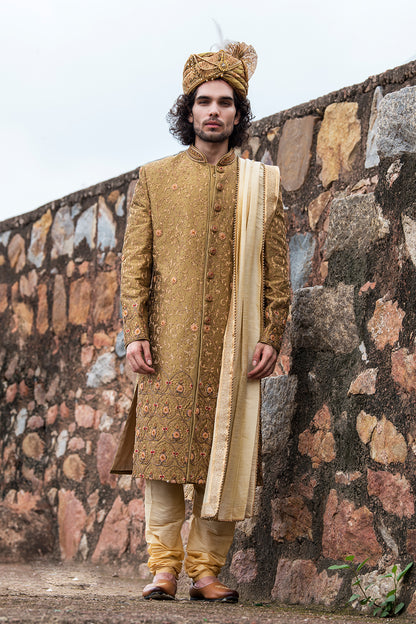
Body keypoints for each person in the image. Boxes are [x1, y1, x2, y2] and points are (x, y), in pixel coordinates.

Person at [111, 42, 290, 603]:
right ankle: (163, 569)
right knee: (163, 460)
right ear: (187, 112)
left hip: (234, 347)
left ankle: (207, 572)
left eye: (226, 103)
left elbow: (277, 270)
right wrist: (136, 331)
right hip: (167, 339)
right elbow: (135, 264)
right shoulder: (156, 178)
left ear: (239, 115)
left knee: (227, 459)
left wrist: (271, 335)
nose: (214, 111)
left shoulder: (261, 185)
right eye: (204, 102)